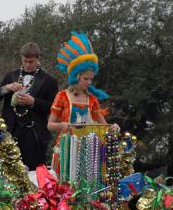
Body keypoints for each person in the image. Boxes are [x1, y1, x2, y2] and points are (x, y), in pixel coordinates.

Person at [47, 32, 119, 174]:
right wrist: (62, 125)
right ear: (76, 76)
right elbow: (50, 125)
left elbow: (104, 125)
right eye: (86, 79)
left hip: (87, 153)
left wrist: (113, 127)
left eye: (91, 79)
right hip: (66, 150)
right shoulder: (62, 96)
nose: (89, 82)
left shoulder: (92, 99)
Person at [0, 42, 58, 170]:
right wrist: (7, 87)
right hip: (10, 131)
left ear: (38, 59)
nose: (27, 64)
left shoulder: (49, 81)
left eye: (31, 61)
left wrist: (33, 102)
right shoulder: (11, 76)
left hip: (34, 134)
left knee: (34, 173)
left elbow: (53, 107)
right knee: (8, 171)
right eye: (25, 61)